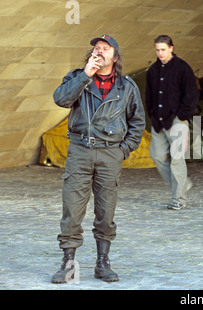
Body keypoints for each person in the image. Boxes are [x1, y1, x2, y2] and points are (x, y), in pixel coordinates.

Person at [51, 34, 146, 283]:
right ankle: (68, 264)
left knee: (106, 210)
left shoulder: (127, 86)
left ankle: (102, 263)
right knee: (72, 208)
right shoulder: (76, 77)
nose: (99, 51)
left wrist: (123, 150)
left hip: (110, 153)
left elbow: (137, 121)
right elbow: (61, 99)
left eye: (105, 48)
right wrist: (85, 75)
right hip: (80, 151)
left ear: (115, 57)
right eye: (96, 48)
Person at [145, 35, 199, 210]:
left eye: (163, 49)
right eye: (157, 50)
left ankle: (179, 198)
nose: (160, 53)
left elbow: (191, 94)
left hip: (177, 120)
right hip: (158, 121)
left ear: (171, 48)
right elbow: (149, 96)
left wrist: (182, 116)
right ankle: (182, 184)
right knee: (157, 156)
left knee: (177, 159)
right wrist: (152, 114)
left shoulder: (183, 68)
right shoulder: (152, 70)